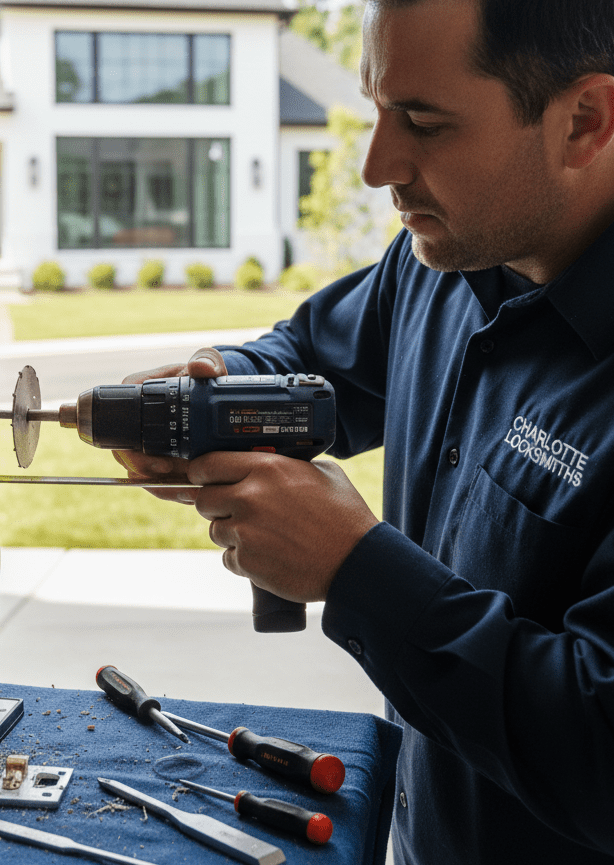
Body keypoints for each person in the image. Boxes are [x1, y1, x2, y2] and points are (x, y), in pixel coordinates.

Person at [113, 0, 614, 862]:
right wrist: (217, 385)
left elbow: (600, 747)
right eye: (377, 107)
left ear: (584, 122)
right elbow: (313, 361)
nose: (376, 164)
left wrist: (355, 567)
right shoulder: (446, 256)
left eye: (422, 121)